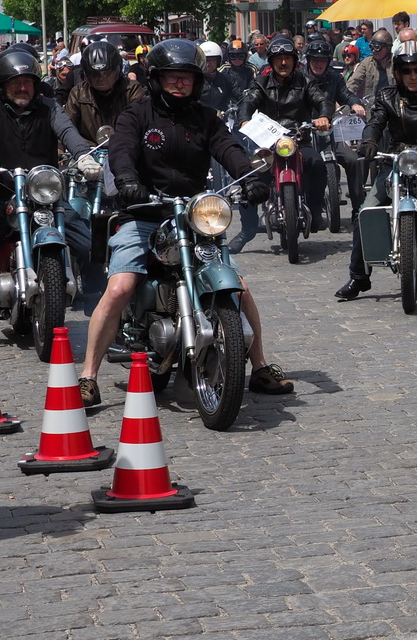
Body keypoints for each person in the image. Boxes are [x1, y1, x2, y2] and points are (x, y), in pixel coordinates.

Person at [79, 40, 291, 406]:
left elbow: (228, 148)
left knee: (238, 286)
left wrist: (251, 177)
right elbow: (121, 149)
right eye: (172, 78)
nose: (179, 85)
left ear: (197, 81)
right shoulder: (137, 114)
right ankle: (88, 376)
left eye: (186, 79)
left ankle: (258, 367)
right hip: (144, 212)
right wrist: (128, 181)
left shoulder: (205, 118)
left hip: (194, 215)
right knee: (119, 287)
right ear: (158, 80)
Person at [0, 46, 100, 352]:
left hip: (46, 195)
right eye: (15, 83)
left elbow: (68, 131)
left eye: (27, 82)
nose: (22, 88)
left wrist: (82, 156)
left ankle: (97, 309)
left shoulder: (49, 107)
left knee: (88, 244)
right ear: (2, 85)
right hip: (3, 193)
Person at [335, 41, 417, 300]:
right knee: (366, 211)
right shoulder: (386, 96)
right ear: (397, 72)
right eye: (407, 70)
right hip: (395, 160)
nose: (413, 76)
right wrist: (369, 140)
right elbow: (375, 122)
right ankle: (358, 276)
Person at [239, 34, 363, 233]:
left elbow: (321, 100)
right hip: (269, 143)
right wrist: (244, 119)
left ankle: (314, 209)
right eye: (279, 59)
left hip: (299, 140)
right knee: (250, 176)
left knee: (316, 164)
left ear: (295, 61)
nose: (284, 62)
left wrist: (324, 116)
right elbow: (248, 101)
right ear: (271, 61)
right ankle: (247, 230)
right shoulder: (261, 82)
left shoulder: (306, 82)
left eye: (288, 58)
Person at [64, 40, 143, 144]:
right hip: (87, 153)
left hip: (126, 149)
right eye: (95, 74)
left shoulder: (132, 90)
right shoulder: (78, 93)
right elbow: (67, 127)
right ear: (86, 75)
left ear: (117, 70)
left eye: (106, 73)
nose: (101, 78)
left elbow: (141, 124)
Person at [347, 28, 395, 101]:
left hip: (393, 105)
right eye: (371, 47)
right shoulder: (366, 63)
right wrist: (345, 97)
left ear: (388, 48)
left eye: (377, 47)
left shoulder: (396, 63)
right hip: (372, 106)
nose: (373, 50)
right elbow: (354, 81)